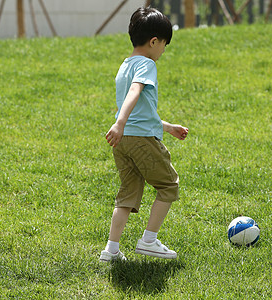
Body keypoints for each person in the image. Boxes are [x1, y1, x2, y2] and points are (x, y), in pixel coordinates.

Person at [100, 7, 189, 262]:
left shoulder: (124, 66)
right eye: (164, 45)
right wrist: (119, 121)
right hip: (140, 140)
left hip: (124, 141)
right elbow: (135, 93)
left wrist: (167, 127)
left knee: (127, 195)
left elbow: (141, 113)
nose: (163, 51)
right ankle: (149, 240)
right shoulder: (147, 64)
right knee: (168, 186)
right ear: (154, 41)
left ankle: (111, 250)